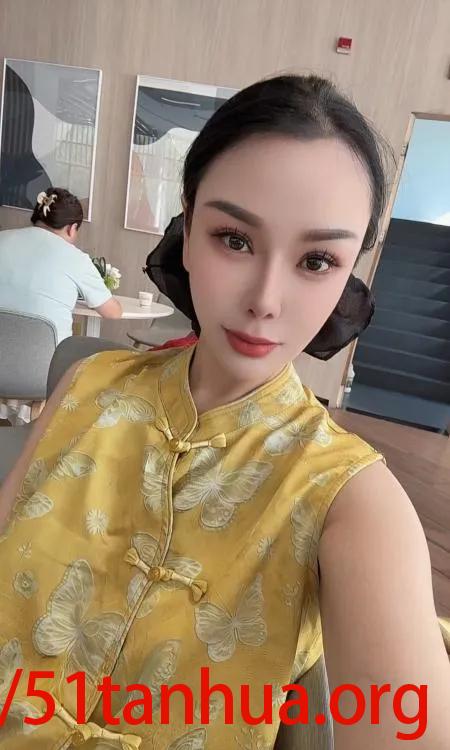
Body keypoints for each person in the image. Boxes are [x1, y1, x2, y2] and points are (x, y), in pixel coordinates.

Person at [0, 75, 449, 750]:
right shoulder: (87, 384)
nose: (265, 299)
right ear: (187, 229)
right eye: (235, 239)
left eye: (317, 260)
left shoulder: (351, 498)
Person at [0, 187, 122, 343]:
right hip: (47, 356)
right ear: (72, 228)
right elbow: (113, 312)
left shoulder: (2, 238)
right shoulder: (76, 259)